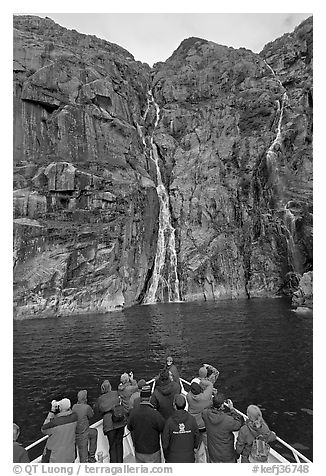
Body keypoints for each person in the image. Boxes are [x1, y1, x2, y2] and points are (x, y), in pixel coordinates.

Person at [127, 385, 165, 463]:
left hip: (139, 450)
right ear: (150, 398)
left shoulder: (134, 413)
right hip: (153, 451)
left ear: (140, 398)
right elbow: (162, 427)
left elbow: (129, 427)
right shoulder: (155, 414)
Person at [202, 392, 243, 463]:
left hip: (213, 452)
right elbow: (239, 423)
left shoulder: (205, 414)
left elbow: (206, 408)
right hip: (227, 454)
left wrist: (214, 402)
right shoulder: (227, 420)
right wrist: (232, 409)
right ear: (222, 406)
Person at [162, 394, 202, 463]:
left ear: (174, 406)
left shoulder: (169, 422)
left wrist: (167, 457)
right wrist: (194, 448)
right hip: (189, 458)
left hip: (172, 458)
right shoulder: (192, 419)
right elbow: (197, 436)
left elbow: (165, 442)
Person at [95, 379, 127, 463]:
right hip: (119, 421)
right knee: (119, 444)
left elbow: (99, 410)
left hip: (109, 424)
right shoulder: (116, 393)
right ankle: (120, 464)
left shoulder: (100, 399)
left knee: (112, 446)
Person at [41, 398, 77, 463]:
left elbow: (43, 429)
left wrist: (52, 412)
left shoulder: (54, 423)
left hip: (55, 458)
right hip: (70, 455)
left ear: (60, 408)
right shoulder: (75, 417)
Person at [186, 379, 213, 462]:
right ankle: (208, 461)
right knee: (207, 446)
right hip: (204, 425)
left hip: (194, 425)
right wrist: (202, 381)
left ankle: (196, 461)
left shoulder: (188, 396)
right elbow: (210, 385)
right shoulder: (205, 397)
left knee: (195, 446)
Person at [72, 389, 98, 463]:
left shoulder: (74, 407)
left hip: (75, 433)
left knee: (94, 432)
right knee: (83, 459)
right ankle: (91, 456)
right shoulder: (86, 407)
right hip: (83, 434)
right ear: (85, 398)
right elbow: (91, 415)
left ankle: (91, 456)